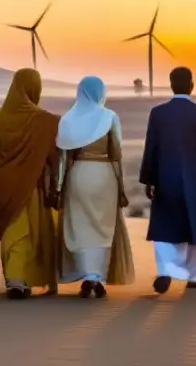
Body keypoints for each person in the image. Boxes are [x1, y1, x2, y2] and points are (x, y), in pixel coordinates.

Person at [139, 66, 196, 294]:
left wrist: (149, 179)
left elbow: (151, 148)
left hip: (166, 178)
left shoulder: (158, 113)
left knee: (165, 227)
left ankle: (167, 269)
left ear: (171, 84)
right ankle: (193, 276)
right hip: (195, 180)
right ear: (191, 85)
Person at [56, 76, 135, 298]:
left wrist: (60, 186)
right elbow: (117, 154)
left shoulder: (69, 119)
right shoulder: (109, 117)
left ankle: (86, 276)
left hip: (78, 175)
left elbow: (63, 157)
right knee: (103, 227)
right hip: (104, 176)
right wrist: (121, 188)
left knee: (80, 227)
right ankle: (96, 277)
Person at [0, 67, 61, 299]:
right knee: (31, 231)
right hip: (31, 184)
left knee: (14, 229)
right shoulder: (44, 119)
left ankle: (14, 278)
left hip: (6, 181)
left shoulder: (1, 116)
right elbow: (54, 153)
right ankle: (25, 277)